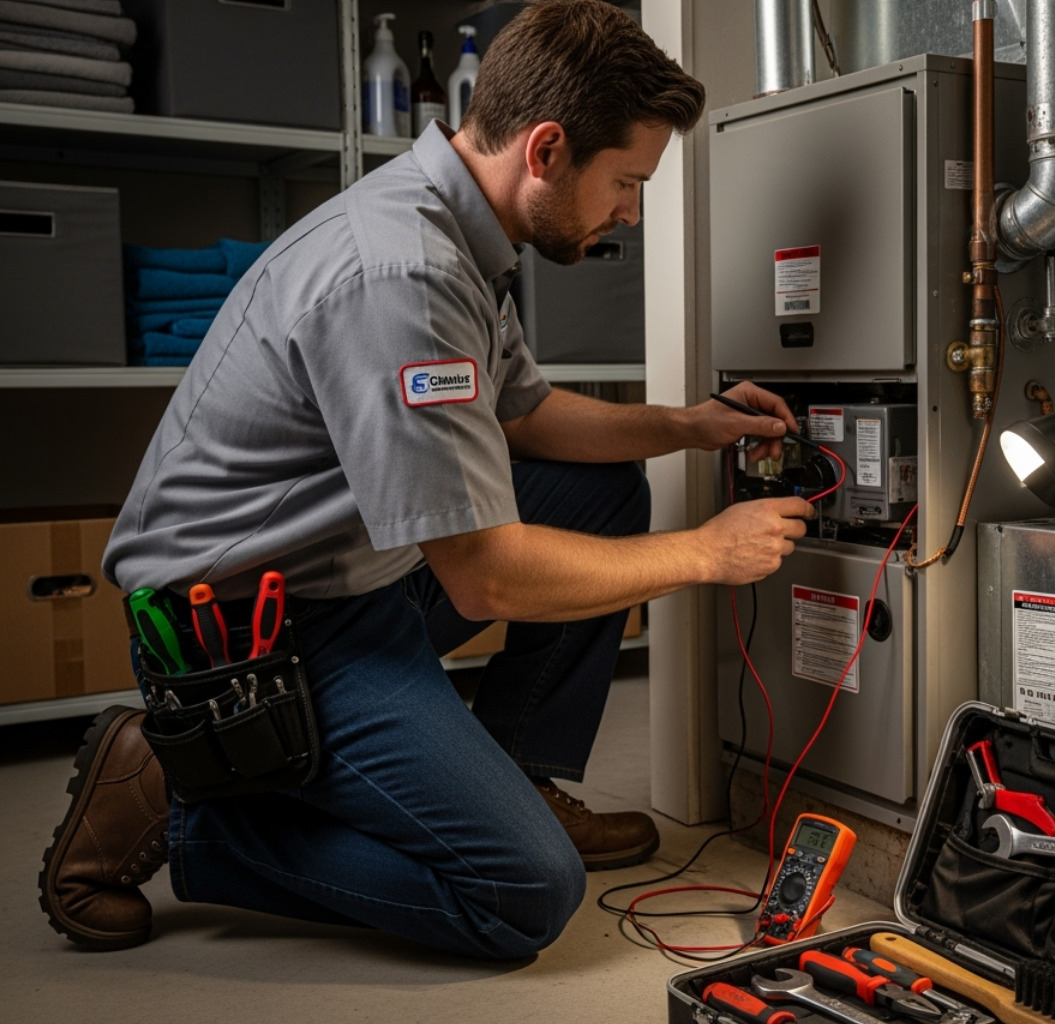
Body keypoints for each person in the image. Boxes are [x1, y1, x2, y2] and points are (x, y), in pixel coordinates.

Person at [39, 0, 811, 960]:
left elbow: (522, 415)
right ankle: (189, 801)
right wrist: (704, 553)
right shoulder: (402, 272)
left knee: (605, 492)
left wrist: (684, 427)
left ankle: (514, 776)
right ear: (546, 149)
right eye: (627, 181)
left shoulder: (465, 227)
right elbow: (484, 577)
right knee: (523, 894)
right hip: (247, 633)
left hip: (352, 572)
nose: (630, 211)